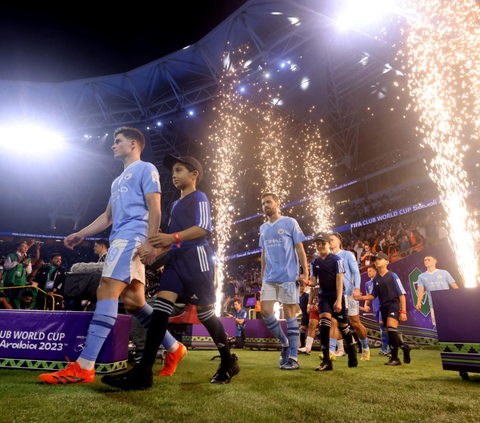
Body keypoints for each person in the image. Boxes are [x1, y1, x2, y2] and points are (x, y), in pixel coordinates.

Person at [39, 126, 182, 385]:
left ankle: (84, 366)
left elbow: (155, 207)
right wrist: (81, 233)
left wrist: (150, 242)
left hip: (132, 238)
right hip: (120, 238)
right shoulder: (117, 180)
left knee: (106, 290)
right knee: (134, 302)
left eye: (118, 141)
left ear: (134, 144)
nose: (113, 145)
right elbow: (107, 217)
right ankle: (174, 348)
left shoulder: (145, 168)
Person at [102, 154, 239, 389]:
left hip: (198, 259)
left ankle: (228, 361)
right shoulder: (175, 204)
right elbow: (173, 240)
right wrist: (155, 250)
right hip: (176, 261)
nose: (174, 175)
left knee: (206, 315)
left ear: (194, 175)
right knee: (160, 310)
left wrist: (170, 238)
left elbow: (202, 228)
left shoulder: (200, 197)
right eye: (173, 171)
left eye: (179, 170)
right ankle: (144, 371)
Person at [259, 192, 308, 370]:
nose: (266, 206)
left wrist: (305, 272)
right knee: (265, 311)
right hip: (269, 278)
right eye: (263, 203)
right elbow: (263, 252)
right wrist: (262, 274)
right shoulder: (263, 228)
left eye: (269, 202)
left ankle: (293, 358)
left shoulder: (290, 222)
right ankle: (285, 343)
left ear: (278, 204)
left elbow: (300, 248)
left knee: (289, 314)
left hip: (288, 275)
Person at [310, 232, 357, 371]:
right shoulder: (314, 263)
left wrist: (338, 300)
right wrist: (302, 280)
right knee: (324, 323)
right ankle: (326, 361)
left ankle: (352, 350)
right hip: (324, 296)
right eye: (317, 243)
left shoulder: (337, 260)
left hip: (337, 296)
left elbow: (339, 279)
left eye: (322, 243)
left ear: (328, 244)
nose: (319, 245)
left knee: (343, 328)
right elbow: (313, 282)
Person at [361, 252, 411, 366]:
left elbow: (402, 294)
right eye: (375, 259)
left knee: (391, 328)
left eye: (380, 259)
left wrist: (403, 311)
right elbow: (373, 295)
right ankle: (404, 347)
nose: (377, 261)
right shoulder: (376, 279)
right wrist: (361, 297)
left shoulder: (393, 276)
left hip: (393, 304)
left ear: (387, 262)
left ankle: (395, 358)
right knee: (389, 332)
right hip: (383, 307)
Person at [330, 232, 370, 361]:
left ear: (339, 242)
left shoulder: (347, 255)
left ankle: (365, 348)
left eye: (332, 240)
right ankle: (331, 351)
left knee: (355, 323)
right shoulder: (327, 257)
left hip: (349, 294)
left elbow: (356, 272)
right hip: (334, 295)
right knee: (333, 322)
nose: (329, 242)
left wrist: (357, 288)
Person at [416, 255, 458, 325]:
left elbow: (454, 286)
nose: (426, 261)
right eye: (425, 260)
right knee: (438, 325)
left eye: (428, 260)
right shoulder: (421, 276)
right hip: (433, 305)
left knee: (452, 323)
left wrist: (461, 298)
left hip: (448, 303)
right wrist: (418, 302)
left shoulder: (444, 273)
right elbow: (421, 290)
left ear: (435, 261)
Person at [363, 265, 391, 355]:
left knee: (384, 328)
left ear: (376, 272)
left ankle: (385, 348)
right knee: (382, 328)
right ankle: (391, 348)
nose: (368, 272)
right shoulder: (367, 284)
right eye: (368, 271)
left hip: (382, 306)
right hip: (375, 308)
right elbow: (368, 295)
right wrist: (365, 304)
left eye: (370, 271)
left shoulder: (380, 280)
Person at [298, 284, 309, 349]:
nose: (301, 287)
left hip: (309, 315)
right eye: (300, 286)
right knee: (302, 330)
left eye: (302, 286)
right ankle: (302, 346)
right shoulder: (298, 297)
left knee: (316, 331)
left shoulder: (307, 296)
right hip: (304, 315)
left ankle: (324, 345)